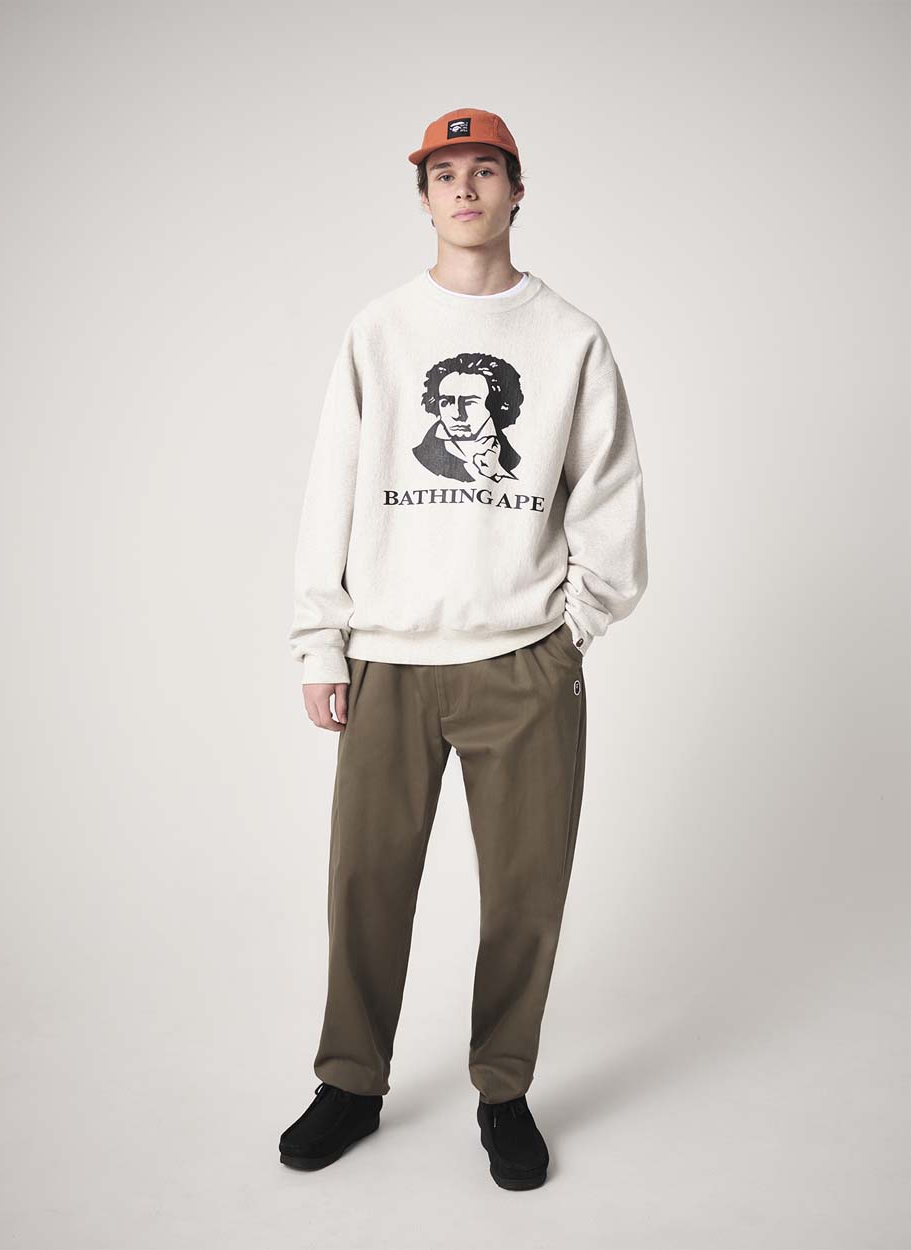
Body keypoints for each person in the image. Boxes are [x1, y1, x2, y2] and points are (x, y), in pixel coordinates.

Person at [278, 107, 649, 1190]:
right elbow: (330, 490)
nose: (465, 189)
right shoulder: (380, 331)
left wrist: (572, 631)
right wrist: (321, 642)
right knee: (364, 882)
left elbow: (611, 496)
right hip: (389, 659)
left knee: (525, 894)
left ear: (516, 190)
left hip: (522, 662)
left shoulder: (569, 337)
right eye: (446, 174)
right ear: (424, 197)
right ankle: (351, 1081)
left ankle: (503, 1090)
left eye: (485, 170)